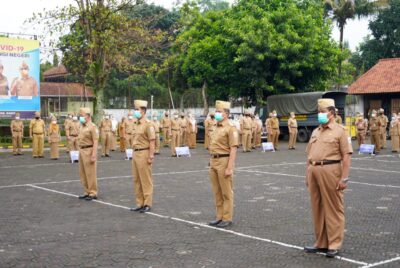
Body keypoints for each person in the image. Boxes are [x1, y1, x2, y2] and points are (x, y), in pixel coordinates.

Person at [304, 98, 353, 258]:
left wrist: (344, 178)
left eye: (322, 112)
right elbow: (308, 155)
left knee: (333, 208)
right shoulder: (316, 131)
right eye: (318, 112)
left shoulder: (340, 131)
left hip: (331, 170)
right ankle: (321, 242)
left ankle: (334, 243)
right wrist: (307, 174)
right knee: (317, 208)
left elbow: (346, 156)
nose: (320, 115)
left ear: (331, 113)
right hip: (314, 170)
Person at [208, 100, 238, 228]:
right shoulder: (214, 126)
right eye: (216, 111)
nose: (217, 114)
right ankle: (219, 216)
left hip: (224, 161)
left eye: (219, 112)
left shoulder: (231, 128)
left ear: (226, 113)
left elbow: (234, 149)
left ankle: (227, 217)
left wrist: (229, 167)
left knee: (226, 192)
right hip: (213, 161)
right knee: (217, 191)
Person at [129, 100, 156, 213]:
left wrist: (151, 156)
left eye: (137, 110)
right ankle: (139, 203)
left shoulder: (148, 124)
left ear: (143, 111)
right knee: (136, 180)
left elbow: (152, 141)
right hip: (135, 153)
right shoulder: (135, 123)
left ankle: (147, 203)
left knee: (145, 180)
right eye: (135, 109)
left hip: (144, 153)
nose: (136, 112)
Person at [77, 107, 99, 201]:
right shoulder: (81, 126)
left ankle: (93, 192)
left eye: (82, 115)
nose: (80, 117)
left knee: (90, 173)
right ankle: (86, 191)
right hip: (81, 151)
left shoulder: (92, 127)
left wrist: (93, 154)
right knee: (83, 173)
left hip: (89, 150)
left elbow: (95, 141)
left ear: (88, 116)